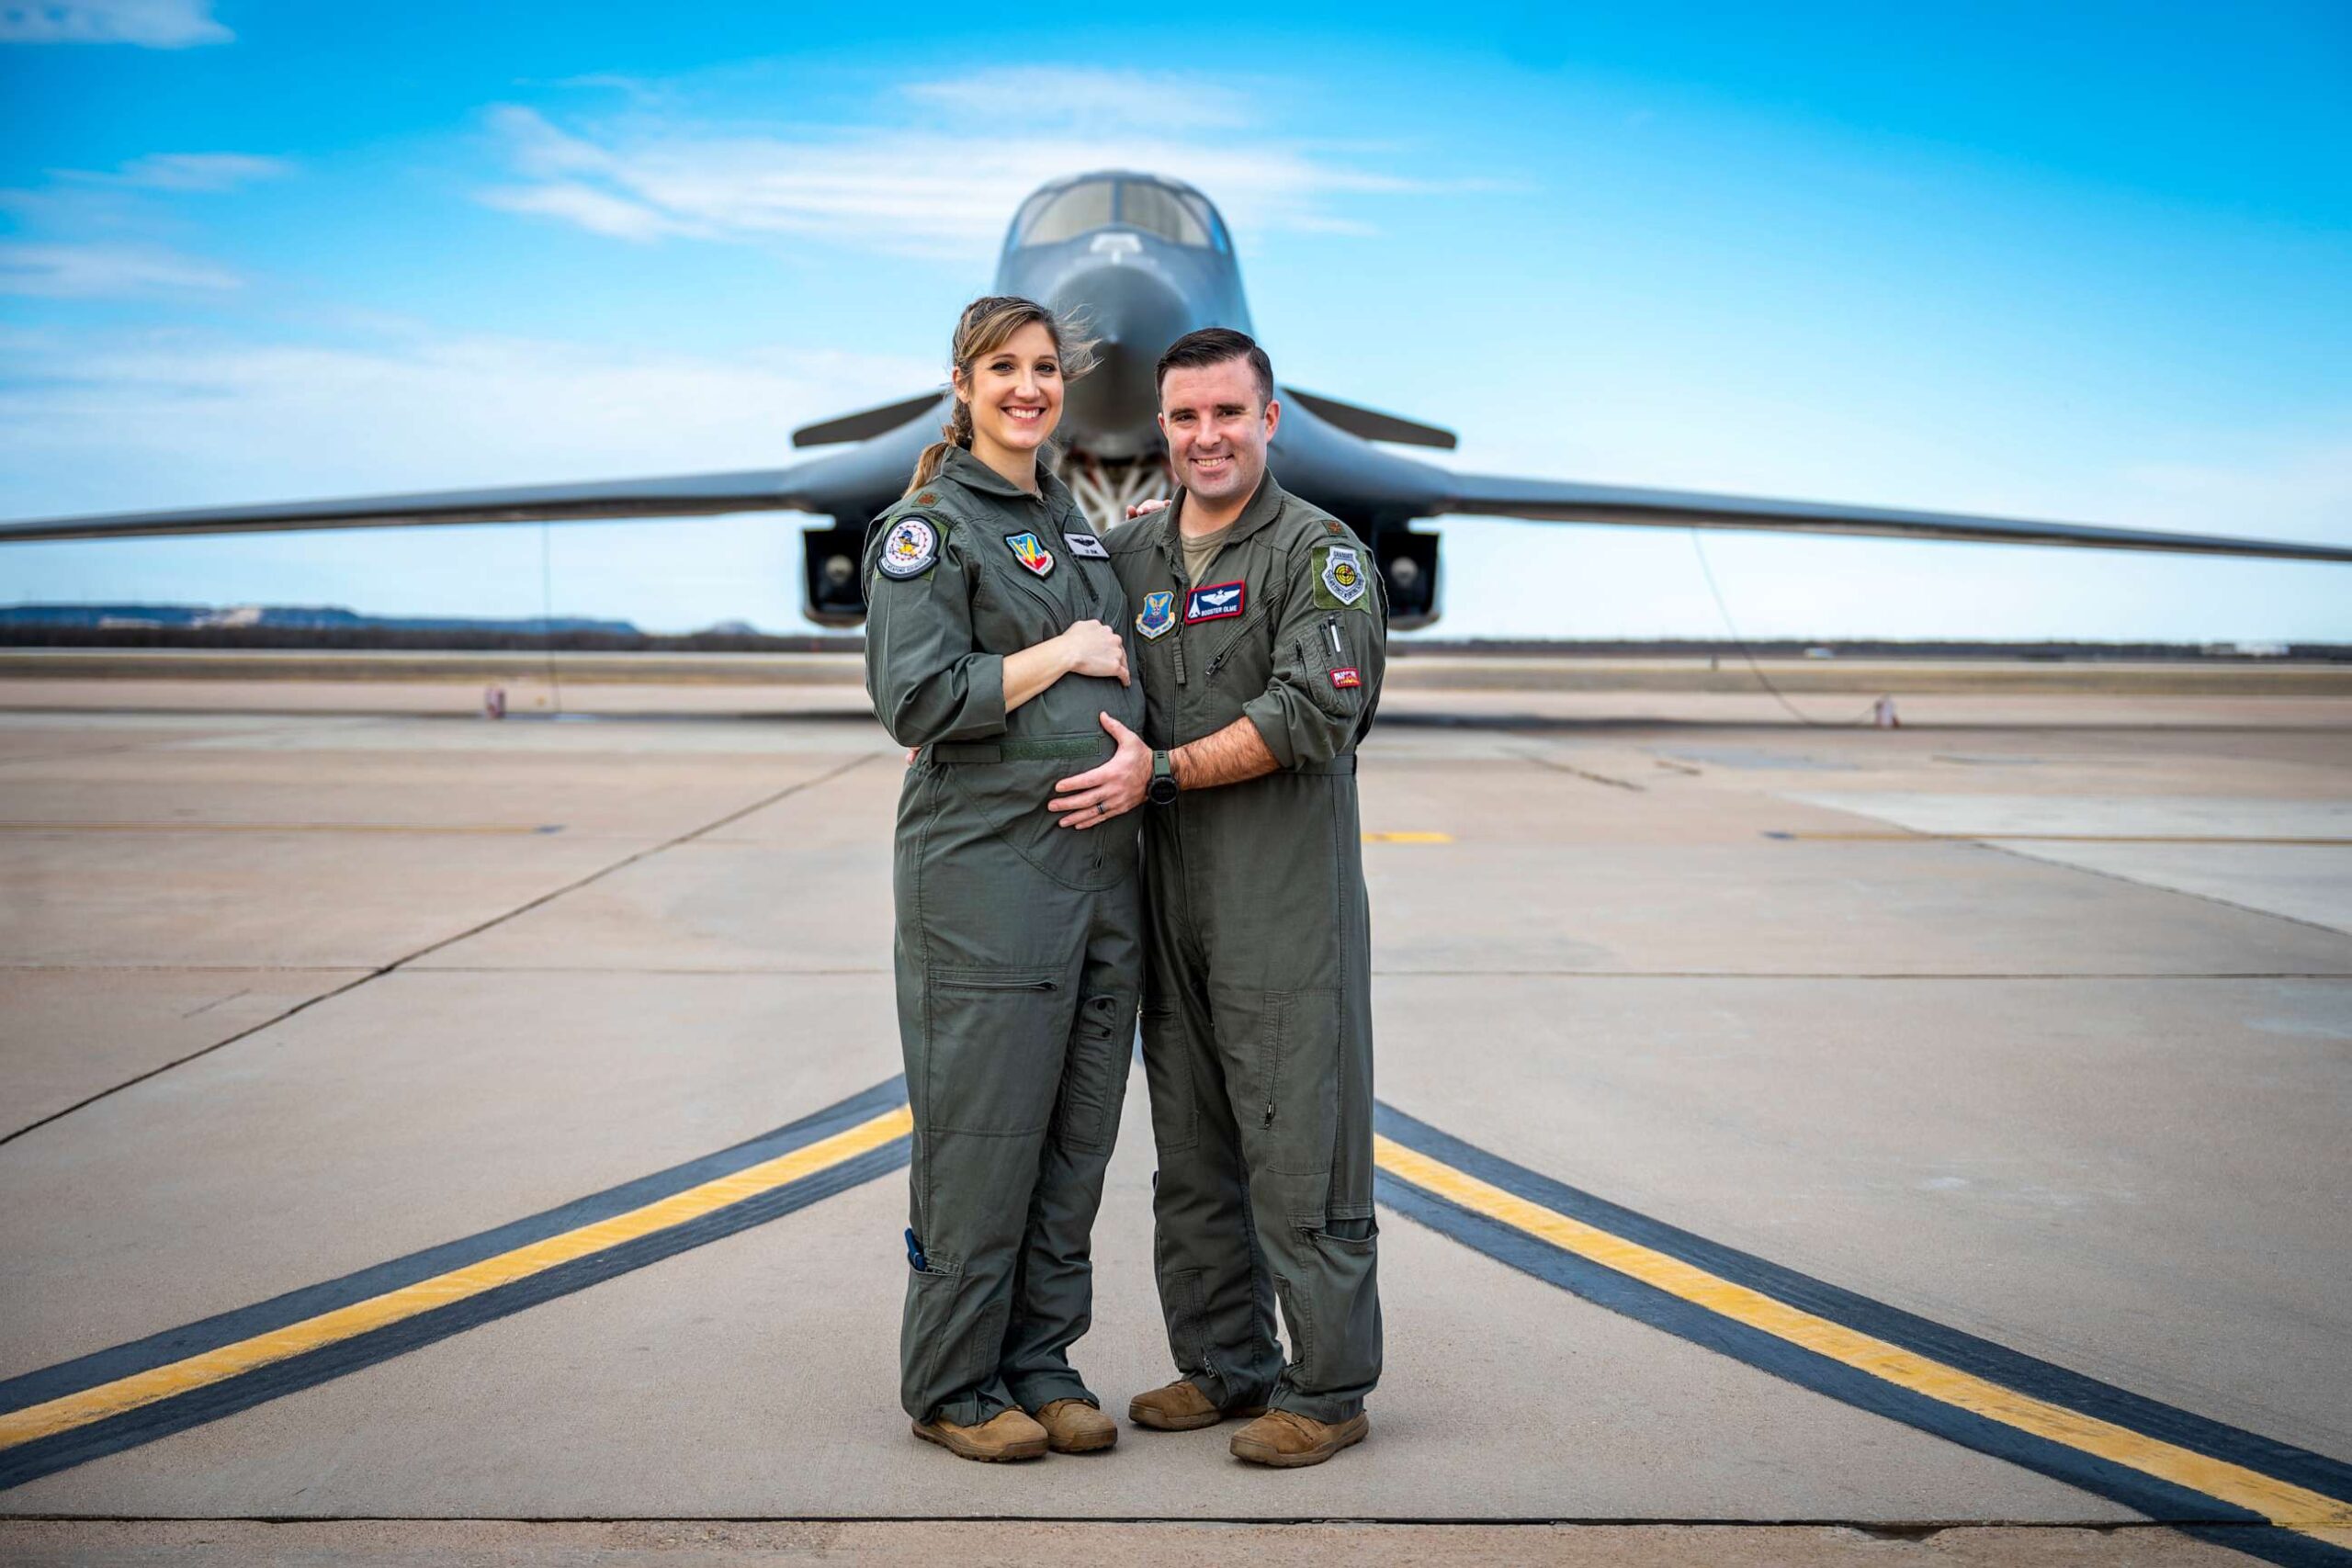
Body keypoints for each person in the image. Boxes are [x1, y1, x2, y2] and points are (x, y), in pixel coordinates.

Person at [1047, 326, 1388, 1468]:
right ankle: (1226, 1364)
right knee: (1192, 1155)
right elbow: (1046, 648)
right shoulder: (1131, 555)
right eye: (1186, 417)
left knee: (1299, 1151)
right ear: (1162, 426)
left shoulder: (1316, 553)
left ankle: (1326, 1390)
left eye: (1227, 413)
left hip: (1282, 909)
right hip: (1167, 905)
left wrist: (1165, 772)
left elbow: (1315, 711)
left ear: (1268, 418)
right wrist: (962, 723)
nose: (1207, 436)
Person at [862, 296, 1147, 1463]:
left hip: (1095, 877)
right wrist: (1062, 650)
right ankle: (952, 1382)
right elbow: (916, 698)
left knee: (1073, 1143)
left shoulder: (1071, 526)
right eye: (1003, 369)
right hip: (987, 879)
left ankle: (1040, 1362)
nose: (1028, 388)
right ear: (963, 384)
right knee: (981, 1139)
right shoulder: (928, 529)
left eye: (1044, 368)